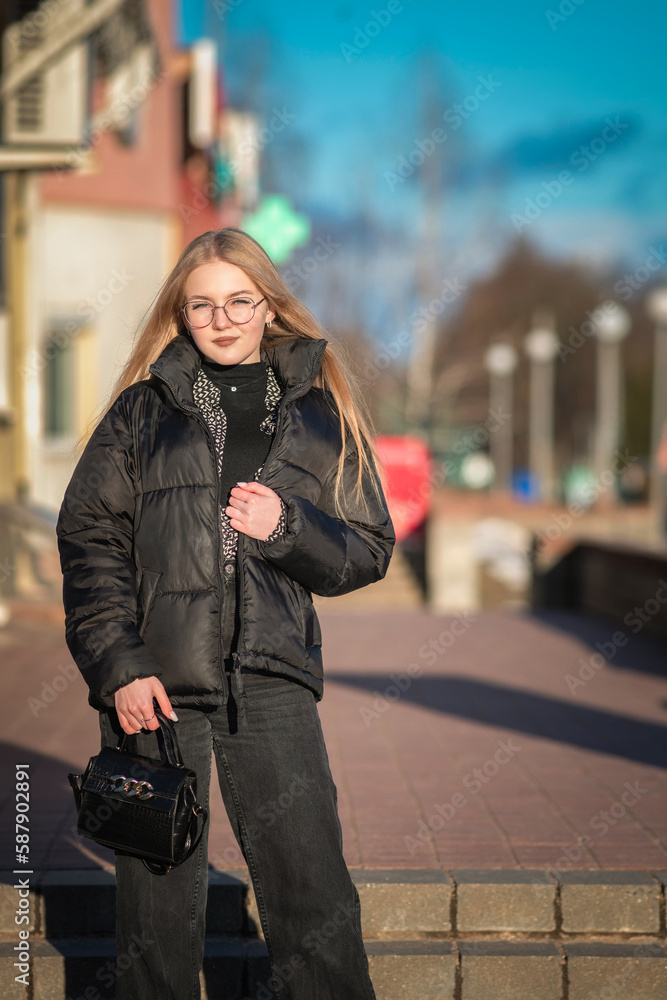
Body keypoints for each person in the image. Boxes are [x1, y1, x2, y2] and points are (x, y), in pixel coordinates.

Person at [56, 227, 395, 1000]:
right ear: (179, 315)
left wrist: (286, 528)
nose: (222, 318)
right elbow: (88, 537)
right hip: (157, 688)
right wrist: (120, 667)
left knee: (311, 889)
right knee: (155, 911)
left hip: (271, 679)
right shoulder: (142, 414)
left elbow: (368, 548)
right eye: (201, 304)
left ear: (269, 307)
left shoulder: (321, 413)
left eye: (239, 300)